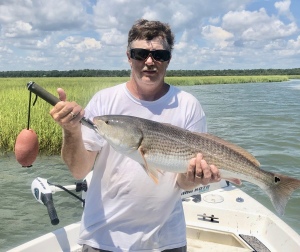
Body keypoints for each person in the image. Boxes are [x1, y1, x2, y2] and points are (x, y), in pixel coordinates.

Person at [50, 19, 221, 252]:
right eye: (140, 54)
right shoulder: (104, 101)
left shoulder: (188, 105)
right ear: (129, 56)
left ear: (169, 59)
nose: (149, 62)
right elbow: (79, 171)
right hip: (103, 238)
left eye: (159, 55)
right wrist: (70, 131)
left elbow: (181, 182)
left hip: (166, 240)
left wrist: (195, 178)